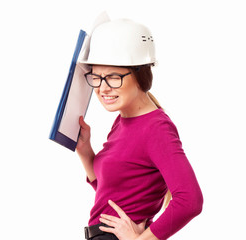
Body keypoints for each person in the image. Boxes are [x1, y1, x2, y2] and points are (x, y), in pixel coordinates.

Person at [76, 18, 203, 240]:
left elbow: (190, 201)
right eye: (96, 77)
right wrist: (85, 150)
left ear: (140, 75)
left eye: (113, 77)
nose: (102, 88)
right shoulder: (123, 120)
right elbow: (113, 195)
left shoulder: (156, 129)